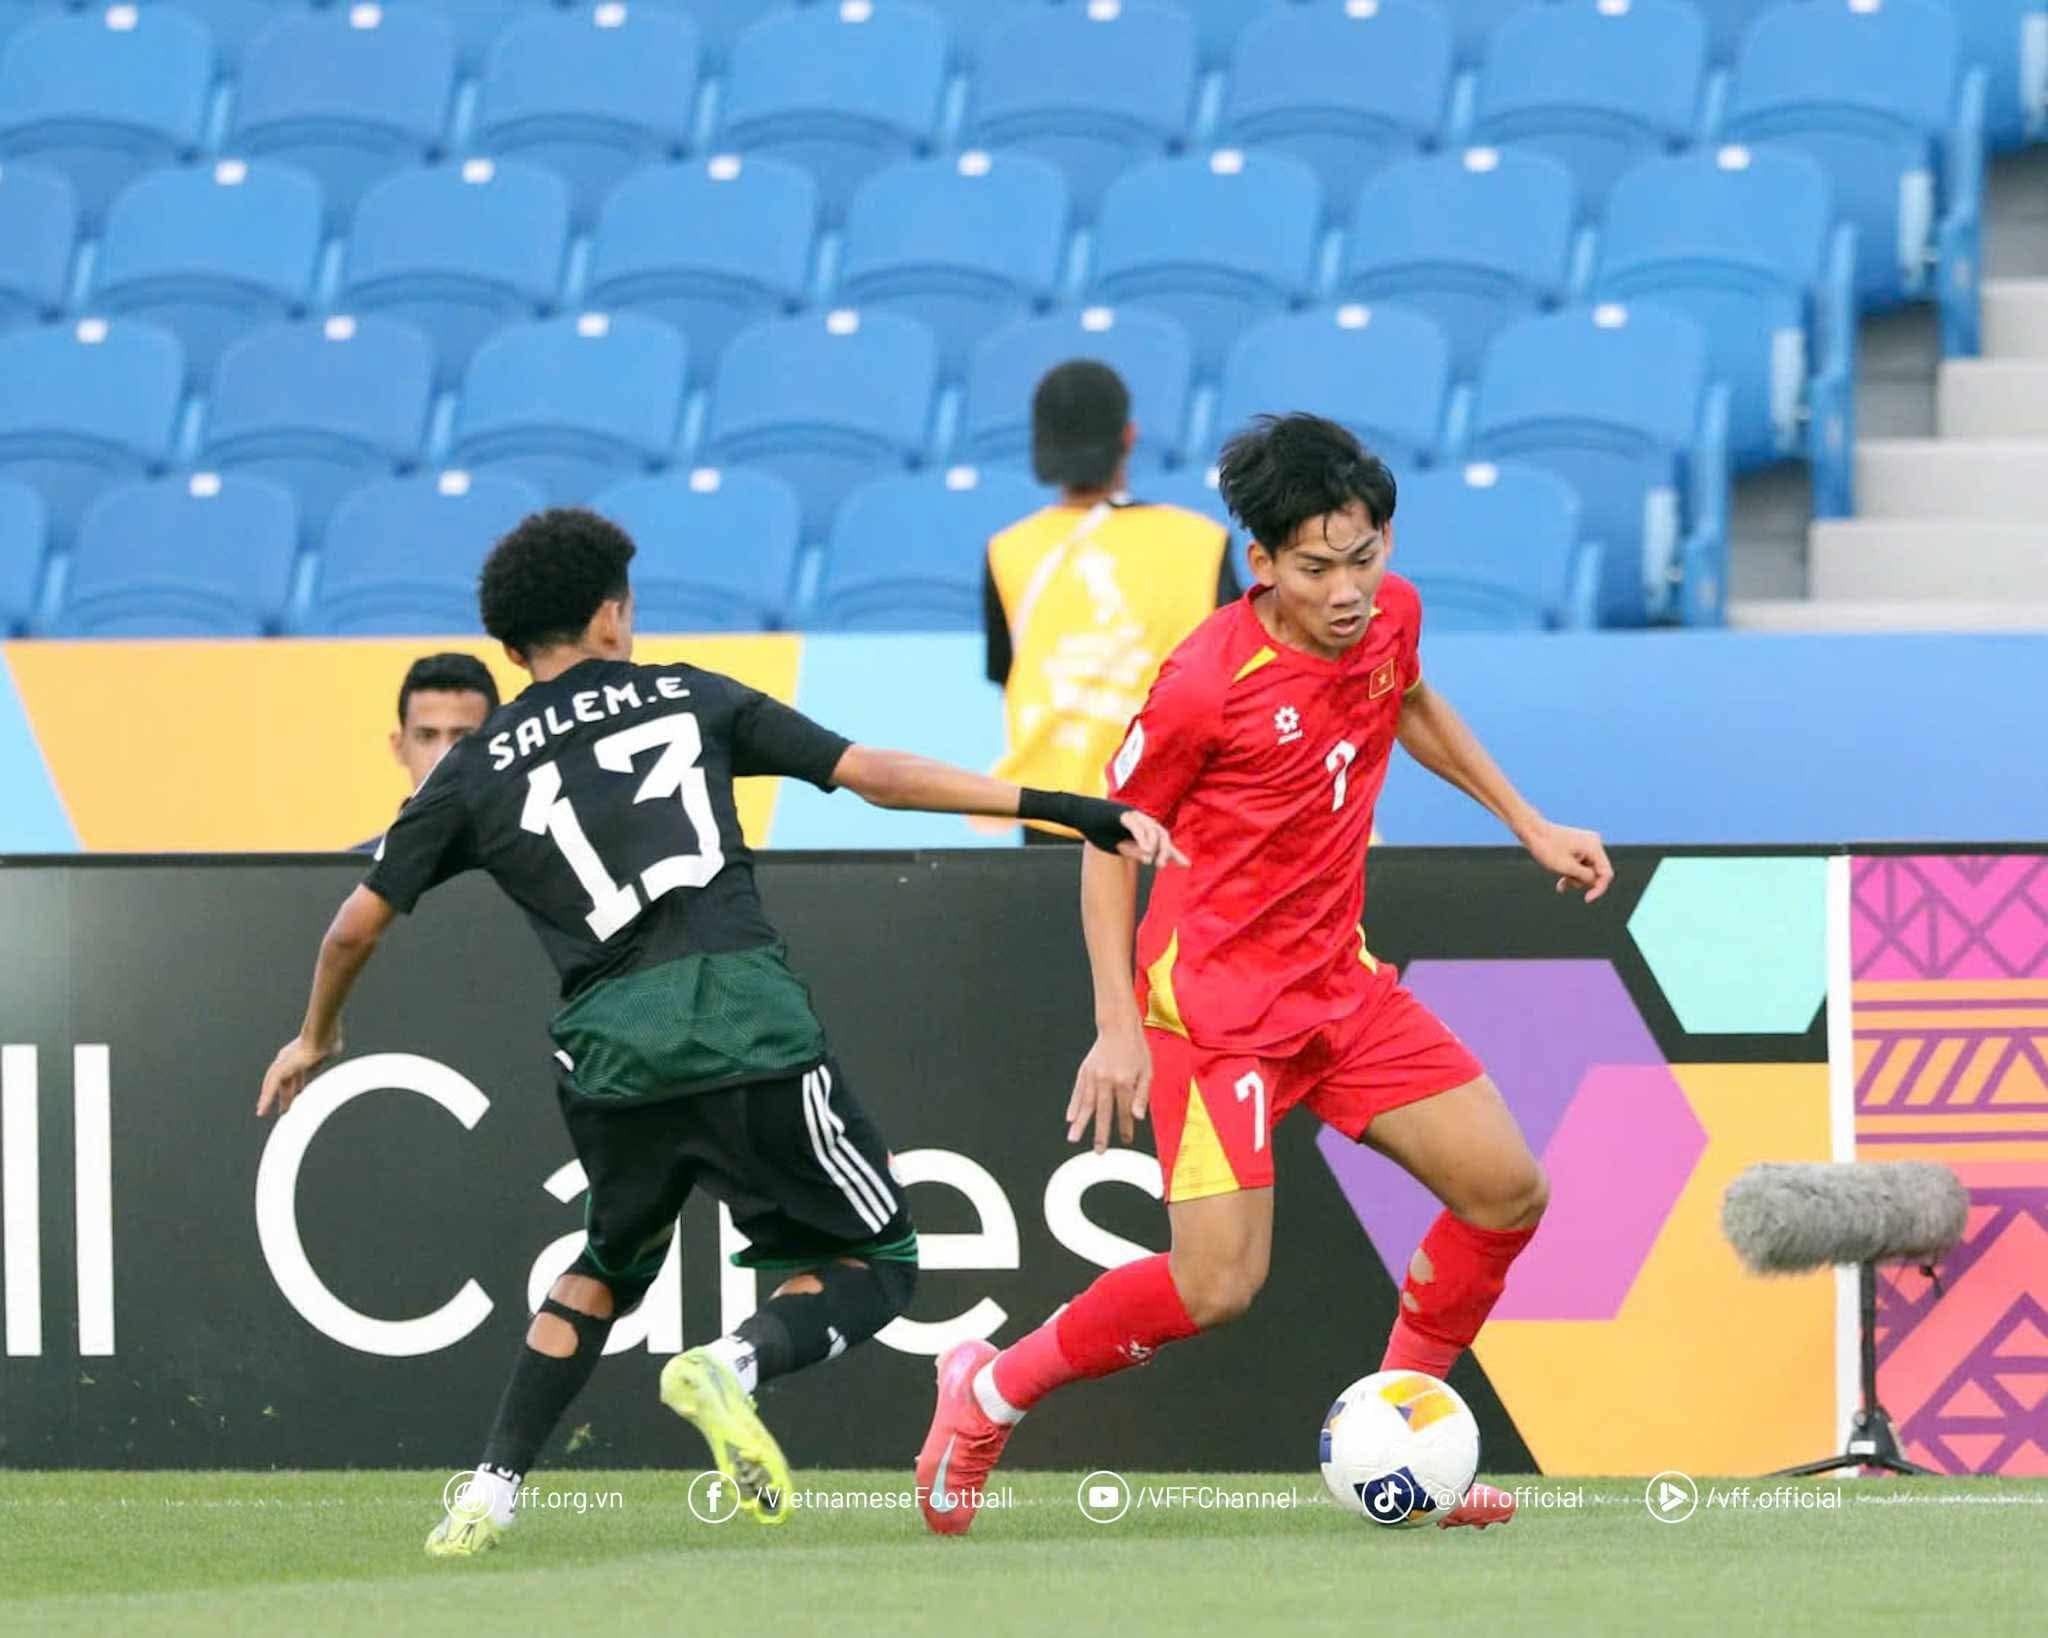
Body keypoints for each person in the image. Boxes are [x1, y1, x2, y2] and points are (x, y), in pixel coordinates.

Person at [255, 509, 1184, 1558]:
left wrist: (315, 1036)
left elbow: (353, 925)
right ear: (611, 617)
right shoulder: (687, 694)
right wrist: (1068, 808)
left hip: (609, 1056)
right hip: (743, 1023)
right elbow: (870, 773)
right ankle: (731, 1364)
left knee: (606, 1264)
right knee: (879, 1257)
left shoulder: (472, 771)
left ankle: (490, 1490)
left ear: (511, 648)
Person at [916, 415, 1614, 1535]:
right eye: (1315, 568)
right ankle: (988, 1390)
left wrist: (1527, 823)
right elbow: (1107, 840)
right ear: (1262, 562)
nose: (1346, 591)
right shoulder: (1203, 682)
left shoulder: (1390, 615)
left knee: (1504, 1191)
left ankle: (1402, 1440)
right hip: (1217, 1016)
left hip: (1341, 986)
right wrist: (1116, 1024)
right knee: (1215, 1288)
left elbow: (1409, 698)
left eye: (1362, 558)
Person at [985, 360, 1237, 845]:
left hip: (1052, 814)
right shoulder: (1204, 543)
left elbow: (1007, 679)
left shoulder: (1006, 551)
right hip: (1167, 814)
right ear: (1129, 436)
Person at [351, 653, 500, 854]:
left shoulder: (537, 866)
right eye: (426, 736)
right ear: (399, 747)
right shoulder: (354, 869)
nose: (443, 757)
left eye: (463, 738)